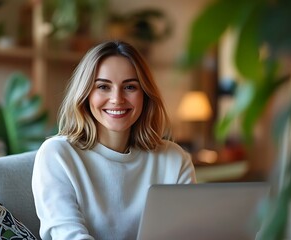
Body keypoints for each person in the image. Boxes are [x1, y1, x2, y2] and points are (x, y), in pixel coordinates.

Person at [32, 40, 196, 240]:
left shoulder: (174, 159)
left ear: (144, 94)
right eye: (103, 86)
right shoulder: (58, 154)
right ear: (86, 94)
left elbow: (186, 233)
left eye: (129, 87)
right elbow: (68, 236)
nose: (117, 99)